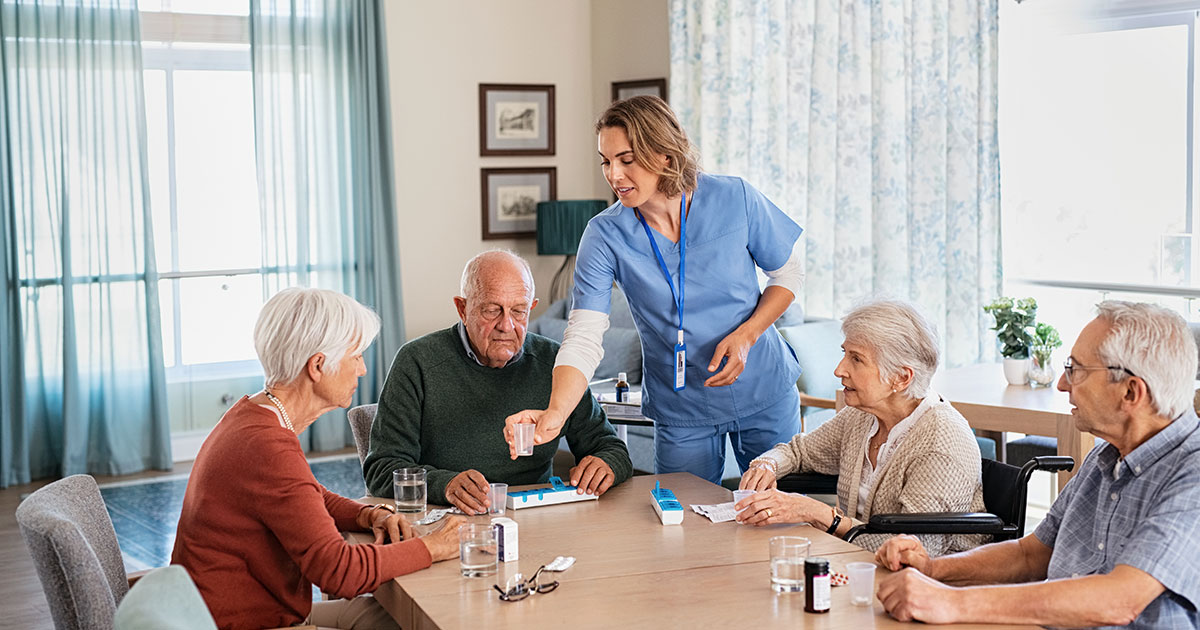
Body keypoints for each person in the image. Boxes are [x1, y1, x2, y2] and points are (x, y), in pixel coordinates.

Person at [504, 95, 805, 483]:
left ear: (665, 154)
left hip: (764, 388)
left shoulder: (735, 198)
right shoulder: (603, 235)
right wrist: (555, 415)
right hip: (681, 407)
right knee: (683, 526)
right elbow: (583, 336)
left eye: (626, 160)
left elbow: (788, 273)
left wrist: (747, 336)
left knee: (774, 517)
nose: (614, 175)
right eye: (606, 161)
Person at [874, 301, 1200, 628]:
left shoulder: (1193, 473)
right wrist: (933, 570)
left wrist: (950, 601)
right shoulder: (1106, 457)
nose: (1061, 383)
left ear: (1131, 392)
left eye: (1075, 370)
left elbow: (1120, 600)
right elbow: (1031, 554)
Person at [171, 288, 464, 630]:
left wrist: (369, 515)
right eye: (356, 357)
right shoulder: (266, 445)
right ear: (318, 366)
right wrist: (434, 547)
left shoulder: (252, 414)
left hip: (259, 611)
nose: (363, 369)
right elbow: (338, 573)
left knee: (404, 621)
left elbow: (308, 494)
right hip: (249, 624)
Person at [363, 250, 632, 514]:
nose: (506, 325)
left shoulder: (557, 364)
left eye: (518, 311)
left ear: (531, 309)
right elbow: (382, 469)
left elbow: (611, 448)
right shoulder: (417, 361)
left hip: (535, 516)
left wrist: (605, 464)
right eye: (492, 310)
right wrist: (443, 484)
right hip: (447, 519)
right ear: (462, 308)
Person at [737, 300, 984, 556]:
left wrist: (819, 514)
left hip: (929, 586)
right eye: (844, 353)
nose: (839, 370)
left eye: (856, 359)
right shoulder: (862, 417)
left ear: (901, 377)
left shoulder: (940, 443)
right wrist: (768, 464)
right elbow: (799, 452)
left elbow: (914, 552)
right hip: (856, 567)